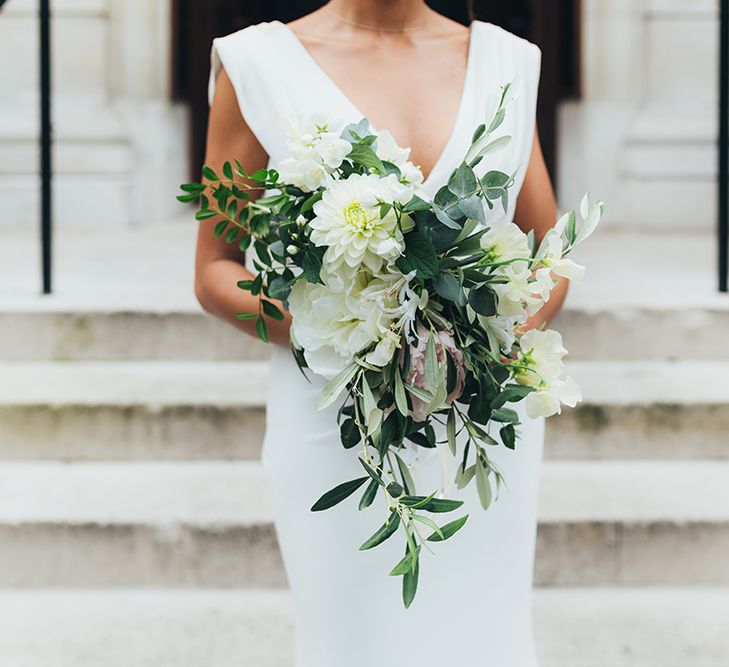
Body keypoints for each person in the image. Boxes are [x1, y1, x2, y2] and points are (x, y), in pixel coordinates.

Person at [195, 2, 565, 665]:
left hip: (476, 428)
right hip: (334, 425)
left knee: (483, 639)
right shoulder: (257, 65)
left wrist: (480, 344)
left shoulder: (506, 62)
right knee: (351, 641)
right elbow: (215, 269)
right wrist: (354, 338)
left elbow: (549, 253)